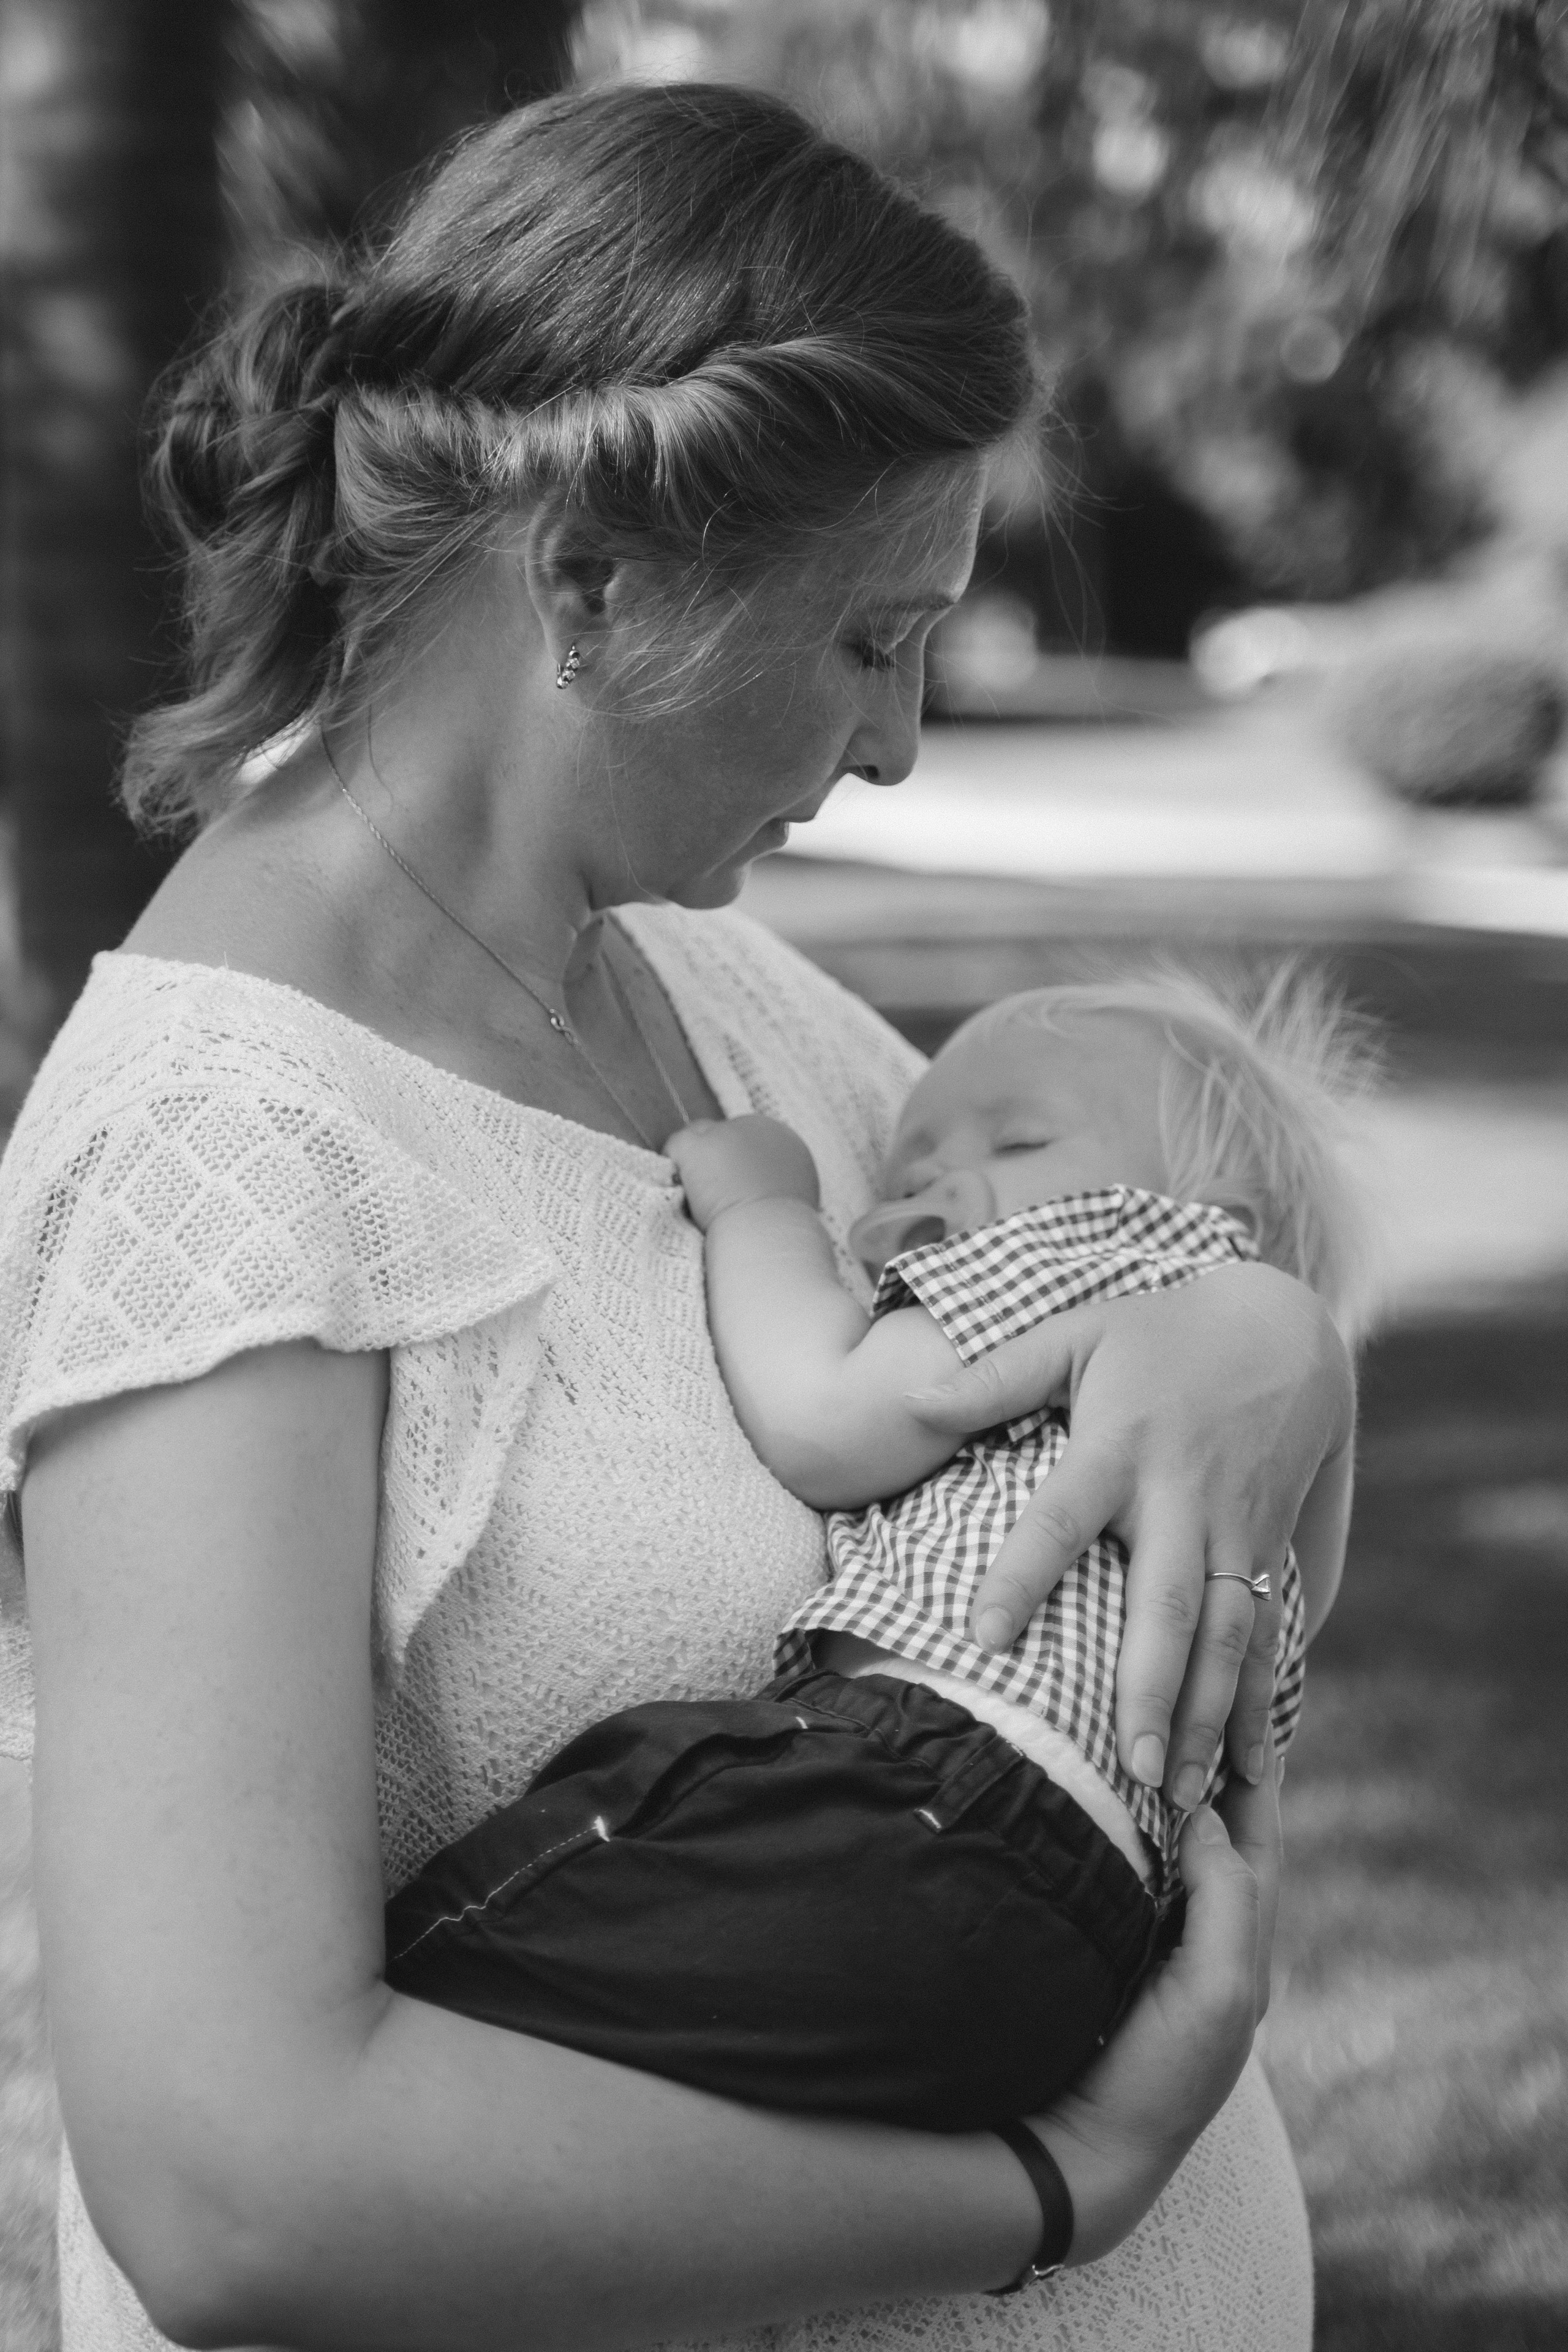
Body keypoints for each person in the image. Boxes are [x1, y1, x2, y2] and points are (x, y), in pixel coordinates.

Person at [0, 82, 1351, 2352]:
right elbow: (230, 2187)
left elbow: (1135, 1572)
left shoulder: (717, 998)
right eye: (872, 642)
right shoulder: (226, 1173)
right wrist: (1053, 2189)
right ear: (592, 579)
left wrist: (1270, 1342)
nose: (901, 744)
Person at [383, 970, 1368, 2136]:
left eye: (1020, 1139)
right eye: (908, 1170)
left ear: (1217, 1213)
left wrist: (767, 1208)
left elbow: (823, 1416)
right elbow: (1306, 1610)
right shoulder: (1260, 1451)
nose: (934, 1183)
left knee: (472, 1968)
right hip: (1103, 1931)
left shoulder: (1110, 1250)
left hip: (923, 1786)